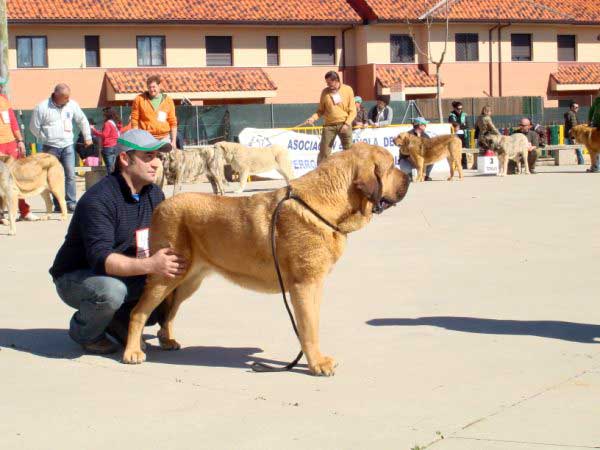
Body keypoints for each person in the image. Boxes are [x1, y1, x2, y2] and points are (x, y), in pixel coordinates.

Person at [49, 129, 186, 354]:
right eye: (148, 157)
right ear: (124, 158)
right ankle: (86, 332)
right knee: (111, 292)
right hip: (80, 276)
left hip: (128, 272)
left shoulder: (154, 195)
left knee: (175, 281)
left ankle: (118, 321)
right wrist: (152, 265)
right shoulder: (99, 200)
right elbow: (102, 260)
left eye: (157, 157)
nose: (156, 164)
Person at [29, 83, 91, 212]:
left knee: (70, 174)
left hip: (67, 145)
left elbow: (82, 120)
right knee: (52, 176)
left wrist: (87, 137)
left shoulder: (72, 105)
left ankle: (71, 203)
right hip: (50, 147)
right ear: (56, 95)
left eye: (69, 97)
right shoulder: (42, 107)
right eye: (65, 97)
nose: (68, 99)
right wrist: (44, 137)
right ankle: (58, 204)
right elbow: (33, 127)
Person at [0, 84, 37, 221]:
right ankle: (2, 214)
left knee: (17, 178)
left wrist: (20, 140)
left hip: (10, 144)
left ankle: (25, 211)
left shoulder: (4, 100)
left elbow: (13, 122)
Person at [305, 71, 356, 164]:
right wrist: (313, 118)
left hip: (345, 124)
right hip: (329, 126)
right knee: (324, 151)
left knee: (349, 151)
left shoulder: (348, 90)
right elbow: (320, 110)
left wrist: (347, 124)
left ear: (336, 80)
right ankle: (320, 174)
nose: (328, 85)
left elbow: (353, 110)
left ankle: (351, 175)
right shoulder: (325, 92)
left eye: (329, 83)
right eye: (327, 83)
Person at [131, 75, 177, 149]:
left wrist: (173, 141)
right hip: (146, 138)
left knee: (164, 160)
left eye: (153, 87)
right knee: (148, 160)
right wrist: (136, 138)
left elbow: (173, 122)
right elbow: (134, 120)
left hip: (164, 139)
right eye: (149, 87)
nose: (151, 89)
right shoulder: (139, 100)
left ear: (159, 86)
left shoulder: (168, 100)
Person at [398, 117, 434, 181]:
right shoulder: (408, 135)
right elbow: (403, 152)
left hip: (421, 159)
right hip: (407, 159)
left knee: (431, 159)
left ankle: (425, 176)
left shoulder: (425, 136)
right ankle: (408, 176)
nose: (425, 126)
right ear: (420, 125)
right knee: (405, 166)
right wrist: (416, 162)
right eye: (424, 124)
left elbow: (429, 150)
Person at [92, 107, 121, 175]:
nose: (103, 115)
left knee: (109, 167)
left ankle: (111, 181)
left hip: (108, 147)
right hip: (115, 146)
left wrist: (94, 131)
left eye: (104, 113)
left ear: (107, 114)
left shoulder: (107, 123)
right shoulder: (115, 123)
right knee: (114, 166)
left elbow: (104, 135)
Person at [449, 101, 469, 169]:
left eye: (461, 108)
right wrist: (460, 124)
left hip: (464, 135)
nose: (459, 110)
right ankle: (456, 165)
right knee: (455, 150)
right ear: (454, 108)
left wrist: (458, 125)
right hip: (455, 135)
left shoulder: (464, 114)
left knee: (464, 150)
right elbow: (452, 123)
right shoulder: (451, 115)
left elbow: (467, 125)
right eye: (458, 108)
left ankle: (464, 165)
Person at [587, 93, 600, 172]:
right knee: (595, 148)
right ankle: (596, 166)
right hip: (596, 125)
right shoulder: (597, 101)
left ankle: (596, 166)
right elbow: (591, 111)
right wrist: (589, 120)